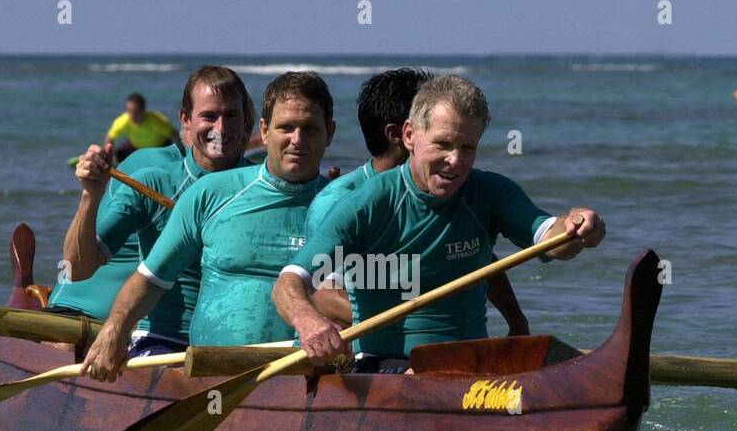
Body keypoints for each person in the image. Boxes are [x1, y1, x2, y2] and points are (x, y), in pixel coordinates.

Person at [272, 75, 604, 371]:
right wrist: (308, 321)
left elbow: (552, 237)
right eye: (443, 145)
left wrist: (576, 227)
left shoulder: (492, 192)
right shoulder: (366, 204)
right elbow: (288, 283)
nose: (455, 162)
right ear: (409, 135)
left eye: (467, 148)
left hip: (470, 364)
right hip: (387, 366)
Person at [80, 71, 336, 380]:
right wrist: (115, 328)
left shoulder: (348, 205)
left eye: (310, 129)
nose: (297, 140)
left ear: (330, 133)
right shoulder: (210, 193)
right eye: (286, 128)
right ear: (265, 131)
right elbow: (149, 280)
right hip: (209, 374)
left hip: (302, 372)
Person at [305, 67, 531, 336]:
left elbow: (480, 260)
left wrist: (517, 322)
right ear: (403, 133)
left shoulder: (450, 190)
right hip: (365, 347)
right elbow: (319, 293)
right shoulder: (342, 199)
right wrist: (415, 325)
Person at [53, 67, 255, 352]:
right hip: (165, 343)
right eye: (209, 116)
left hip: (245, 346)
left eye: (231, 116)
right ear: (185, 119)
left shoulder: (265, 185)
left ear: (248, 121)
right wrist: (91, 195)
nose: (220, 128)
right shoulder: (154, 182)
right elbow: (77, 268)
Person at [105, 93, 178, 162]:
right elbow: (110, 137)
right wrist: (107, 155)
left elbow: (175, 135)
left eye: (136, 112)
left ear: (144, 110)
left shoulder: (157, 121)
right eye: (129, 111)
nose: (133, 115)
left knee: (172, 158)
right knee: (118, 156)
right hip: (137, 147)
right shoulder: (123, 122)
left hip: (160, 147)